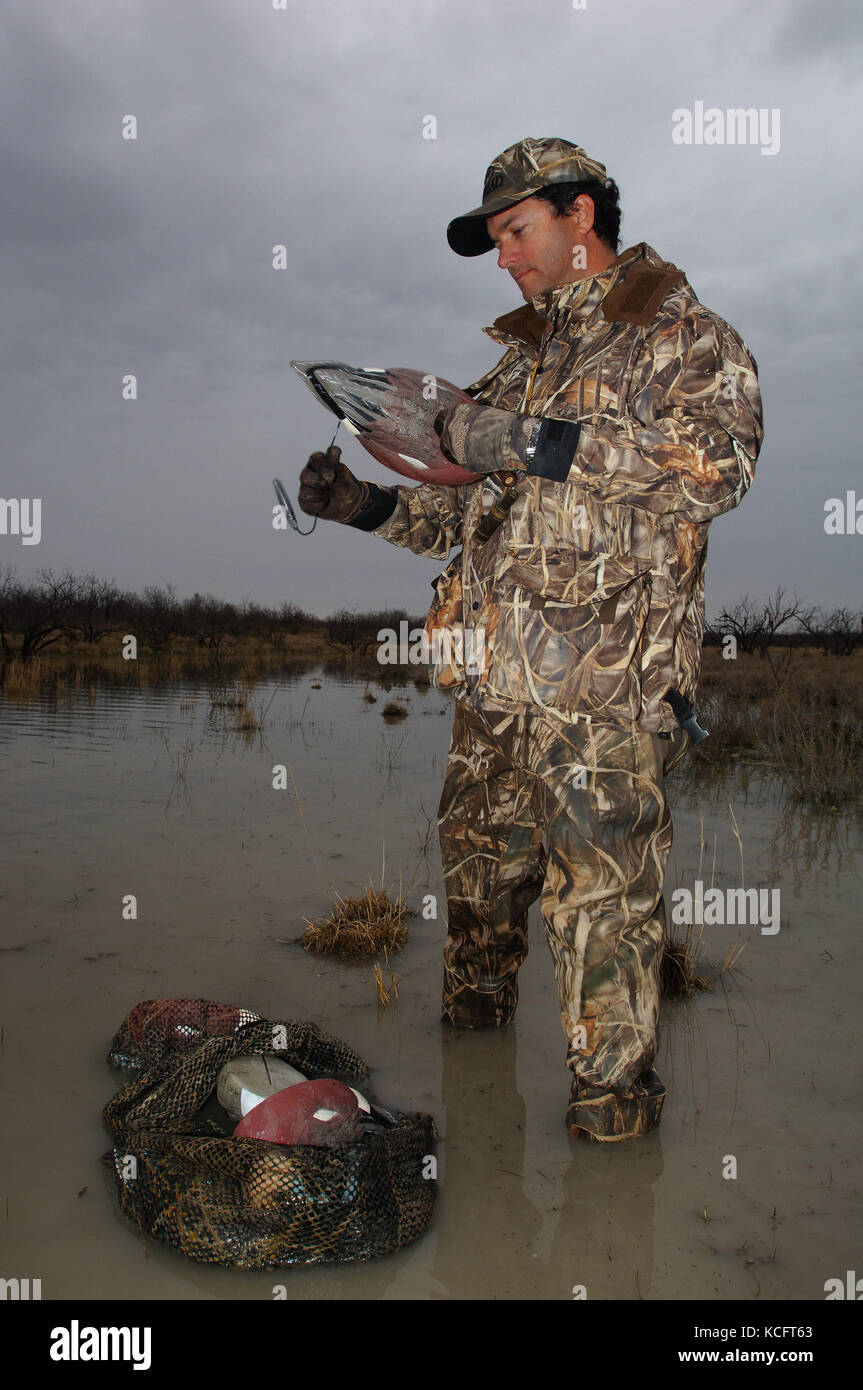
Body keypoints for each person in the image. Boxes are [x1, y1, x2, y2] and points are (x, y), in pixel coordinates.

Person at [298, 137, 763, 1141]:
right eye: (496, 240)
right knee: (472, 879)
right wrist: (364, 503)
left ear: (578, 215)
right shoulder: (513, 365)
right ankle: (472, 1109)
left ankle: (610, 1128)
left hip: (603, 702)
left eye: (514, 232)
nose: (504, 258)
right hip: (488, 691)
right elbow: (465, 518)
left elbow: (710, 470)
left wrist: (520, 440)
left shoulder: (680, 336)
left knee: (601, 909)